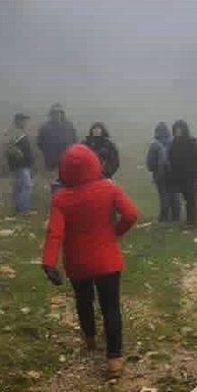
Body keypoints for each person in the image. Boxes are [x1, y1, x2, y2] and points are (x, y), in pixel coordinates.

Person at [41, 144, 138, 379]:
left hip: (78, 262)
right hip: (107, 259)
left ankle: (90, 339)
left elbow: (55, 233)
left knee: (83, 300)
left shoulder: (61, 198)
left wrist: (48, 262)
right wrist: (115, 233)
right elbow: (131, 214)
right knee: (111, 308)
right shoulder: (108, 188)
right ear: (94, 163)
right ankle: (114, 360)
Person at [167, 119, 197, 227]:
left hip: (192, 175)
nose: (178, 132)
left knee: (191, 198)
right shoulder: (174, 144)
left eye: (180, 129)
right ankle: (189, 220)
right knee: (186, 198)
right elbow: (171, 159)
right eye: (176, 130)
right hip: (180, 176)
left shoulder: (191, 142)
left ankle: (192, 221)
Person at [37, 103, 77, 192]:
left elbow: (74, 141)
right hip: (52, 161)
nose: (57, 115)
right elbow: (40, 142)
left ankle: (66, 201)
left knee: (67, 182)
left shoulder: (69, 126)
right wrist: (48, 152)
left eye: (59, 113)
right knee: (55, 184)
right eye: (55, 113)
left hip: (67, 160)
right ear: (51, 114)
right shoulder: (45, 127)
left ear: (62, 114)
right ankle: (57, 201)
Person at [146, 122, 179, 222]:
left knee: (164, 196)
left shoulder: (154, 144)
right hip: (173, 174)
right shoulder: (173, 142)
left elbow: (150, 162)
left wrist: (153, 169)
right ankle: (176, 217)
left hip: (160, 174)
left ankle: (164, 218)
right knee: (174, 195)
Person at [5, 113, 34, 215]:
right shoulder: (17, 133)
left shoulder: (19, 132)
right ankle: (23, 208)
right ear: (18, 121)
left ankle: (19, 207)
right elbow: (11, 148)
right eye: (23, 120)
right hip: (21, 165)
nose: (25, 122)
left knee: (19, 186)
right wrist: (19, 156)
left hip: (21, 165)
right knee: (26, 186)